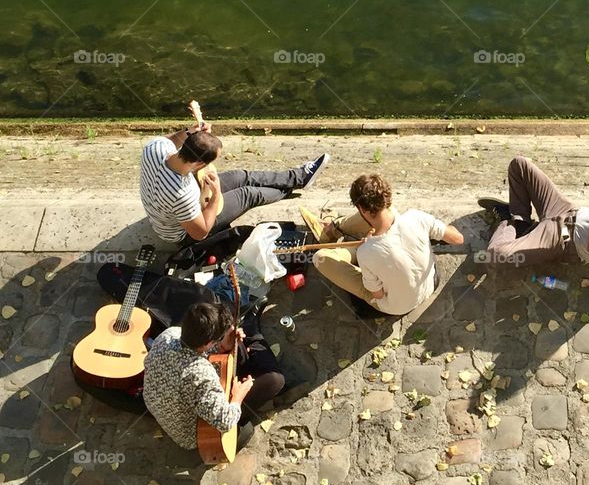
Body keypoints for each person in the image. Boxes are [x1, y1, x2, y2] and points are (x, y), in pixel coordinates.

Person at [139, 121, 329, 244]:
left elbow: (172, 139)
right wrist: (215, 195)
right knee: (247, 194)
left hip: (168, 203)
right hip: (181, 233)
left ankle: (297, 178)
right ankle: (285, 190)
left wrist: (190, 131)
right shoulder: (182, 194)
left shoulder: (155, 147)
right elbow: (201, 232)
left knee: (240, 176)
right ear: (199, 163)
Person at [142, 302, 284, 456]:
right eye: (218, 339)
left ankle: (254, 337)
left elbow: (192, 352)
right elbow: (225, 422)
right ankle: (255, 336)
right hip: (196, 435)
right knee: (276, 381)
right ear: (209, 343)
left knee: (240, 350)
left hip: (166, 408)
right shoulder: (201, 374)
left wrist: (223, 346)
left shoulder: (169, 334)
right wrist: (238, 396)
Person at [312, 174, 464, 316]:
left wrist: (366, 250)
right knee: (387, 214)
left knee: (320, 257)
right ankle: (335, 228)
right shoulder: (417, 217)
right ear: (387, 196)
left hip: (395, 307)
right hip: (431, 283)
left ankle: (334, 233)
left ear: (361, 209)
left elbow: (378, 294)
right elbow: (457, 239)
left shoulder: (366, 253)